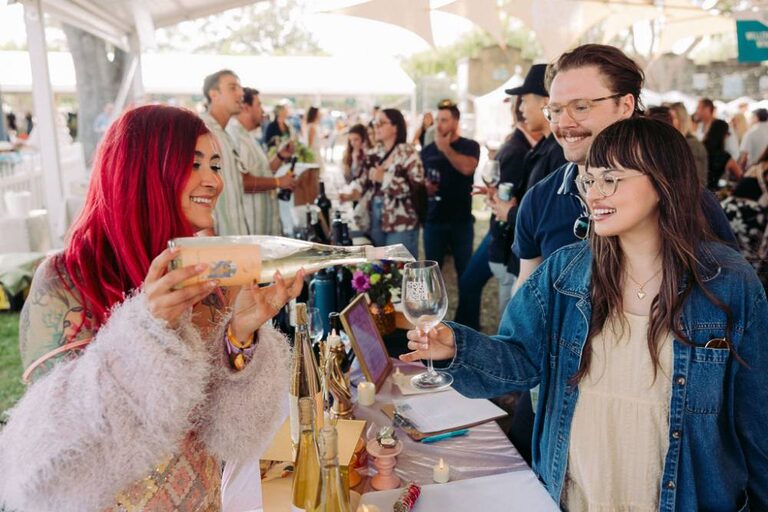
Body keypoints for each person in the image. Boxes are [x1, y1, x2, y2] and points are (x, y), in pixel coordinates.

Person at [402, 117, 768, 510]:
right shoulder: (565, 273)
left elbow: (756, 415)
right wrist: (457, 347)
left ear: (664, 182)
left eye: (610, 179)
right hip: (579, 495)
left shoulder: (727, 281)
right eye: (589, 180)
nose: (594, 193)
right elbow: (519, 360)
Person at [0, 105, 305, 510]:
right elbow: (54, 444)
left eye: (215, 166)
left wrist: (240, 338)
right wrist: (147, 330)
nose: (213, 180)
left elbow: (227, 434)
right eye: (194, 164)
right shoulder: (67, 278)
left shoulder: (202, 274)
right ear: (141, 170)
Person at [507, 44, 738, 466]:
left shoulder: (690, 204)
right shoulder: (540, 200)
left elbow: (731, 324)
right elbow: (525, 298)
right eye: (555, 110)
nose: (564, 123)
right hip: (564, 413)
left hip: (660, 429)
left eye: (580, 107)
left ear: (625, 105)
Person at [344, 108, 424, 258]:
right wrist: (348, 194)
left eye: (381, 123)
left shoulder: (408, 152)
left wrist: (384, 178)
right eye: (375, 122)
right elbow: (362, 180)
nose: (376, 127)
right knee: (381, 265)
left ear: (395, 127)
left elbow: (416, 186)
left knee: (400, 266)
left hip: (401, 221)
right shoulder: (374, 153)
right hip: (376, 218)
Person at [421, 100, 480, 281]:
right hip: (434, 221)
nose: (439, 125)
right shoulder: (427, 150)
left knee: (466, 275)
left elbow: (467, 168)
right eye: (437, 120)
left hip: (461, 221)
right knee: (431, 276)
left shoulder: (470, 146)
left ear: (456, 122)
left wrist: (446, 149)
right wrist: (425, 187)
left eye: (444, 120)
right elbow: (420, 179)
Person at [227, 87, 295, 236]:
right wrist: (278, 182)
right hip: (251, 230)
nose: (262, 110)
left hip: (263, 227)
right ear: (246, 107)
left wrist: (280, 156)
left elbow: (262, 172)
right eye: (259, 105)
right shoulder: (234, 137)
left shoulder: (247, 136)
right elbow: (241, 182)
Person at [200, 69, 250, 236]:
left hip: (234, 238)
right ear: (214, 94)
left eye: (240, 88)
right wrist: (209, 240)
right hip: (218, 243)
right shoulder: (202, 131)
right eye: (232, 88)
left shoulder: (225, 133)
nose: (241, 93)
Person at [668, 102, 708, 186]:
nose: (669, 121)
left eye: (672, 118)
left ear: (681, 120)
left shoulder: (692, 145)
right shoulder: (676, 142)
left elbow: (696, 181)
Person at [703, 118, 742, 190]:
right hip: (712, 192)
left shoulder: (701, 148)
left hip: (694, 190)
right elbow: (740, 176)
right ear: (724, 135)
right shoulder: (725, 157)